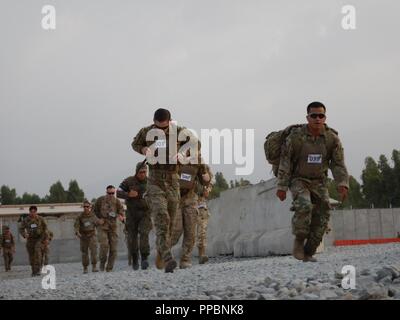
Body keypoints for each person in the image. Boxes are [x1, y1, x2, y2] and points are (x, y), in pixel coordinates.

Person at [276, 101, 349, 262]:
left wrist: (342, 183)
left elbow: (338, 164)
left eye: (320, 115)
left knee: (323, 213)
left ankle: (308, 251)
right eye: (313, 115)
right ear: (307, 117)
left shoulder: (332, 139)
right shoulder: (295, 137)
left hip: (319, 181)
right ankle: (299, 241)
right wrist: (281, 186)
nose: (317, 118)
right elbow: (285, 162)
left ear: (325, 117)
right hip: (298, 179)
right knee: (304, 206)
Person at [131, 108, 188, 273]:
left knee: (170, 222)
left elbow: (195, 144)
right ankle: (168, 257)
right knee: (161, 217)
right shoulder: (146, 131)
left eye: (164, 127)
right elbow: (135, 143)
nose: (161, 130)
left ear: (170, 122)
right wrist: (143, 150)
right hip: (155, 180)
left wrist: (182, 154)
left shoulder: (180, 131)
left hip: (173, 180)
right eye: (158, 126)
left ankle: (162, 251)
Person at [170, 156, 212, 269]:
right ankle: (164, 251)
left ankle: (185, 259)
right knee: (176, 230)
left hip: (191, 197)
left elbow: (206, 179)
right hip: (175, 197)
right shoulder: (172, 156)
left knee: (191, 231)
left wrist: (207, 180)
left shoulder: (197, 162)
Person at [117, 161, 153, 270]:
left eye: (145, 172)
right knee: (132, 237)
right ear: (136, 171)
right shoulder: (128, 181)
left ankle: (144, 258)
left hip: (145, 213)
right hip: (132, 214)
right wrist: (128, 194)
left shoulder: (151, 182)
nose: (143, 174)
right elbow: (118, 192)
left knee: (144, 233)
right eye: (141, 172)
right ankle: (134, 259)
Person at [93, 186, 125, 272]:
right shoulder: (100, 200)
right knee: (104, 245)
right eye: (109, 193)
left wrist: (121, 216)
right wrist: (98, 220)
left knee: (114, 249)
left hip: (113, 227)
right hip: (102, 226)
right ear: (106, 192)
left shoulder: (116, 201)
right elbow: (93, 212)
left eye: (112, 193)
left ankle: (109, 268)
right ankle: (102, 264)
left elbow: (121, 211)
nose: (111, 195)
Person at [19, 206, 49, 276]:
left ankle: (38, 270)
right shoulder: (26, 220)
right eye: (31, 212)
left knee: (37, 252)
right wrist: (24, 234)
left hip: (39, 238)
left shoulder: (41, 219)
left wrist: (46, 239)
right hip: (30, 239)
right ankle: (34, 271)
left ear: (36, 212)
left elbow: (46, 229)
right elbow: (21, 228)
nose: (32, 213)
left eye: (34, 212)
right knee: (31, 255)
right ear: (29, 212)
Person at [74, 200, 102, 273]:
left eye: (87, 206)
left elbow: (98, 223)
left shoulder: (93, 216)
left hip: (92, 236)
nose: (86, 208)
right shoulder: (80, 217)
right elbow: (76, 225)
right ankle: (85, 268)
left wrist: (101, 222)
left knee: (94, 252)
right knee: (84, 253)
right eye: (84, 207)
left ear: (89, 207)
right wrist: (77, 232)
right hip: (84, 237)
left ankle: (94, 267)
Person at [196, 168, 213, 264]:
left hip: (201, 203)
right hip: (186, 202)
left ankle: (201, 254)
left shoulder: (203, 167)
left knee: (202, 230)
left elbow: (211, 179)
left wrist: (208, 189)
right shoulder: (182, 164)